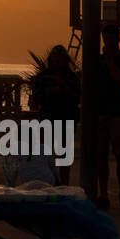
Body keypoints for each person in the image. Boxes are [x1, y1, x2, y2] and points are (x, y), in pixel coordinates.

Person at [94, 24, 120, 210]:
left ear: (118, 40)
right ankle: (103, 193)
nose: (108, 42)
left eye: (111, 39)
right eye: (106, 39)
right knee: (101, 155)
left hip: (119, 112)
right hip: (101, 112)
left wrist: (110, 60)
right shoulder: (97, 60)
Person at [30, 44, 80, 184]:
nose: (57, 62)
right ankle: (47, 182)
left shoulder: (72, 78)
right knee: (44, 154)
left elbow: (79, 97)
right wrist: (51, 91)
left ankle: (64, 185)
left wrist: (67, 91)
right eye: (55, 59)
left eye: (60, 59)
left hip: (67, 118)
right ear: (51, 60)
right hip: (48, 118)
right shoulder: (43, 77)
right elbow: (36, 97)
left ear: (65, 60)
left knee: (64, 157)